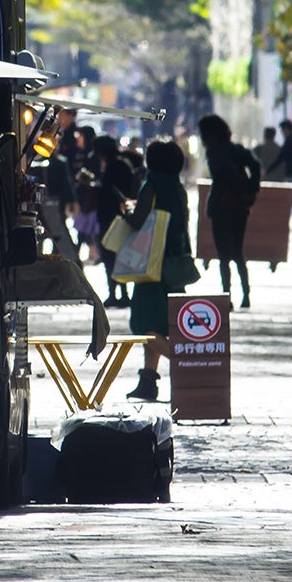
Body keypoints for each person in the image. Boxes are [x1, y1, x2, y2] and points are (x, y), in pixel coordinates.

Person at [125, 139, 192, 402]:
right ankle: (148, 383)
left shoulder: (150, 185)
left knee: (143, 326)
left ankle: (190, 363)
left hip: (151, 266)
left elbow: (139, 220)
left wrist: (126, 214)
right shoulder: (177, 187)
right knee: (162, 324)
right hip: (174, 266)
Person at [199, 113, 260, 309]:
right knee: (238, 252)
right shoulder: (237, 149)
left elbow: (224, 172)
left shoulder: (213, 152)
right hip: (240, 207)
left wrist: (239, 185)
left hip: (221, 207)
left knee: (224, 256)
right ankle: (246, 296)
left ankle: (227, 298)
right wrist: (251, 189)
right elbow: (255, 165)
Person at [93, 134, 136, 308]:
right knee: (121, 256)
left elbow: (108, 192)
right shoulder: (124, 164)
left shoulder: (113, 167)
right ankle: (123, 294)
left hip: (112, 218)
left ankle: (114, 293)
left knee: (110, 256)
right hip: (122, 217)